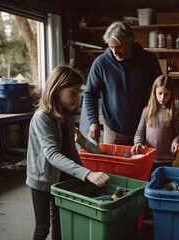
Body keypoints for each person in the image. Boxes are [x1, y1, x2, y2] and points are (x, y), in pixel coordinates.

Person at [26, 65, 110, 240]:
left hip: (63, 178)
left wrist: (82, 177)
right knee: (43, 228)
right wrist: (87, 174)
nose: (78, 98)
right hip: (41, 180)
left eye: (79, 92)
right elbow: (53, 155)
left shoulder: (68, 116)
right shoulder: (42, 117)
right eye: (73, 93)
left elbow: (72, 151)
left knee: (61, 224)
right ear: (57, 89)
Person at [83, 21, 162, 145]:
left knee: (145, 164)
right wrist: (93, 121)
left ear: (131, 41)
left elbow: (160, 90)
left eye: (119, 46)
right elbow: (89, 94)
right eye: (111, 47)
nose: (114, 52)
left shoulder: (149, 60)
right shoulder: (101, 63)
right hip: (114, 131)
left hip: (146, 129)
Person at [131, 75, 179, 174]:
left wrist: (175, 142)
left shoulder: (173, 112)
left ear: (171, 94)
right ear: (154, 93)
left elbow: (177, 134)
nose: (162, 97)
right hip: (148, 157)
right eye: (160, 93)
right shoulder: (147, 111)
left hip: (166, 159)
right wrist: (138, 143)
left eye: (166, 94)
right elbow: (139, 132)